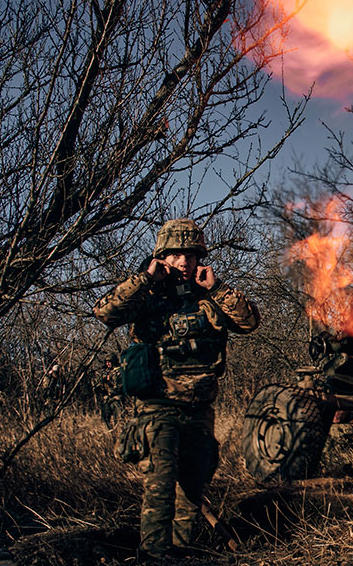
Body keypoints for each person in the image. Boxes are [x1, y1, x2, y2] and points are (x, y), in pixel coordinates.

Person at [93, 219, 259, 561]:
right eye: (175, 255)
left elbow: (249, 322)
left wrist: (218, 288)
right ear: (162, 258)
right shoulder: (148, 296)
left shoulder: (209, 297)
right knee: (161, 485)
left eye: (190, 254)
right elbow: (104, 311)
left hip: (200, 408)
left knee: (193, 487)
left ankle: (183, 552)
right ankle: (154, 554)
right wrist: (144, 278)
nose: (184, 262)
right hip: (158, 408)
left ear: (201, 258)